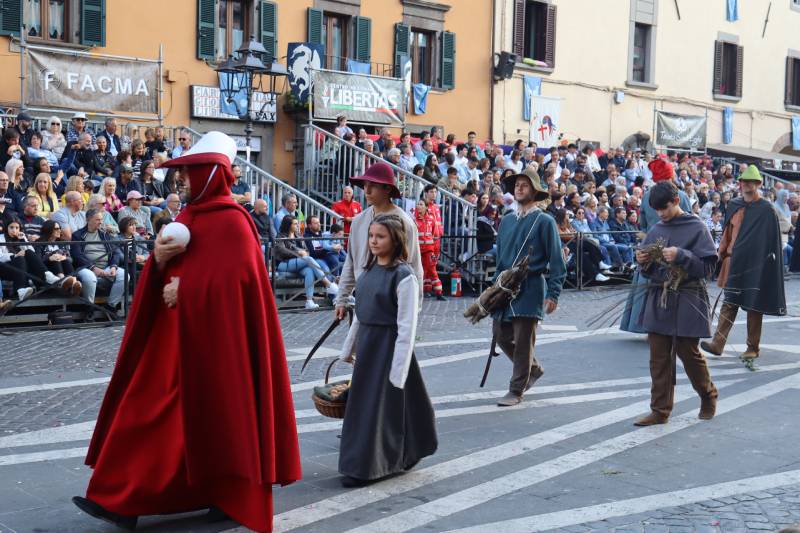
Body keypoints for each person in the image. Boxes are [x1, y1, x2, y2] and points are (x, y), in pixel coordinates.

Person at [73, 132, 301, 533]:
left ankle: (222, 494)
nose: (181, 181)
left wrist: (190, 289)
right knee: (147, 413)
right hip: (174, 342)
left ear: (211, 176)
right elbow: (173, 272)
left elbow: (241, 286)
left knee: (214, 420)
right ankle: (122, 498)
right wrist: (159, 262)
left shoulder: (234, 223)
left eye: (189, 174)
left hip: (216, 350)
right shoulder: (188, 218)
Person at [337, 214, 437, 487]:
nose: (373, 241)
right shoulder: (367, 273)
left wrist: (399, 367)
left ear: (395, 240)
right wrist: (348, 349)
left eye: (380, 237)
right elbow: (360, 314)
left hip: (388, 349)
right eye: (371, 236)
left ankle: (367, 467)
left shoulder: (404, 277)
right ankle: (377, 458)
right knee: (365, 406)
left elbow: (407, 325)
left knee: (378, 408)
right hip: (369, 349)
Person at [633, 181, 718, 426]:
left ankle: (708, 394)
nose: (661, 214)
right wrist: (643, 260)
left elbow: (708, 268)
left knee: (688, 352)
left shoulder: (697, 227)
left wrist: (682, 255)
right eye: (657, 210)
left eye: (665, 208)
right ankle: (659, 410)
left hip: (688, 296)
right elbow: (648, 271)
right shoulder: (657, 227)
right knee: (658, 356)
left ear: (677, 201)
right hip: (660, 298)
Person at [492, 167, 567, 406]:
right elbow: (500, 259)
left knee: (523, 340)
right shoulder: (506, 221)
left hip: (531, 285)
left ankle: (516, 389)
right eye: (516, 185)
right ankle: (532, 369)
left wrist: (553, 293)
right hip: (505, 287)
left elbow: (557, 259)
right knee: (501, 335)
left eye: (525, 185)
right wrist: (494, 289)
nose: (519, 188)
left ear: (535, 191)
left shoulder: (544, 221)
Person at [700, 166, 786, 360]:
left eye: (750, 181)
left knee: (753, 305)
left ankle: (752, 348)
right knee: (729, 303)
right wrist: (719, 255)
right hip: (734, 262)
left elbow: (772, 241)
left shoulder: (766, 209)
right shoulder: (734, 204)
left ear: (758, 184)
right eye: (743, 181)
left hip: (756, 264)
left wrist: (767, 267)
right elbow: (727, 235)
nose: (746, 184)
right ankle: (717, 343)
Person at [334, 162, 424, 319]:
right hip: (363, 300)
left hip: (392, 305)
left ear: (387, 189)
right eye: (365, 185)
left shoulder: (404, 223)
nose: (367, 190)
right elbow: (351, 261)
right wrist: (341, 299)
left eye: (373, 186)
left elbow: (414, 267)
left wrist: (413, 310)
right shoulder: (358, 221)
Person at [274, 215, 339, 309]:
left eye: (297, 223)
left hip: (298, 263)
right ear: (288, 225)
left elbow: (307, 250)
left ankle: (309, 301)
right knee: (308, 259)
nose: (297, 225)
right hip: (284, 264)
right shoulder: (280, 236)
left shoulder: (298, 235)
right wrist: (298, 252)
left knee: (309, 270)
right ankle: (328, 284)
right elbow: (281, 251)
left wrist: (303, 253)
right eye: (295, 224)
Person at [70, 209, 126, 311]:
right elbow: (77, 255)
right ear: (88, 219)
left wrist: (113, 266)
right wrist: (93, 268)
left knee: (124, 275)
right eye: (97, 220)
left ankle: (110, 307)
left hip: (106, 266)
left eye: (101, 219)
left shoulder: (105, 234)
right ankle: (89, 308)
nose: (101, 222)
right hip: (85, 267)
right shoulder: (77, 235)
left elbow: (116, 252)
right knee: (90, 278)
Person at [0, 216, 62, 299]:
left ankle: (47, 275)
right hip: (4, 268)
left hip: (21, 267)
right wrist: (14, 256)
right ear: (6, 228)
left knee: (27, 253)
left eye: (17, 228)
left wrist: (22, 241)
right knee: (20, 258)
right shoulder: (1, 238)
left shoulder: (22, 238)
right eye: (11, 227)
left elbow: (32, 253)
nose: (14, 230)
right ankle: (21, 289)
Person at [38, 219, 82, 295]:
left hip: (64, 268)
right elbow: (37, 260)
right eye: (56, 229)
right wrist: (49, 258)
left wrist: (64, 258)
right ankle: (62, 282)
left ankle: (73, 283)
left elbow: (71, 259)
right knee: (55, 259)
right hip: (48, 271)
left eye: (60, 228)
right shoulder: (39, 243)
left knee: (65, 260)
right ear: (49, 229)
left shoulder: (62, 243)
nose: (60, 231)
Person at [414, 199, 445, 300]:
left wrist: (435, 251)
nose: (418, 206)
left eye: (421, 204)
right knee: (419, 271)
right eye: (418, 204)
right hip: (417, 250)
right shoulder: (413, 220)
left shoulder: (431, 220)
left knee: (432, 270)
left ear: (426, 207)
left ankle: (439, 293)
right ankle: (419, 292)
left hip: (429, 250)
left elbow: (435, 236)